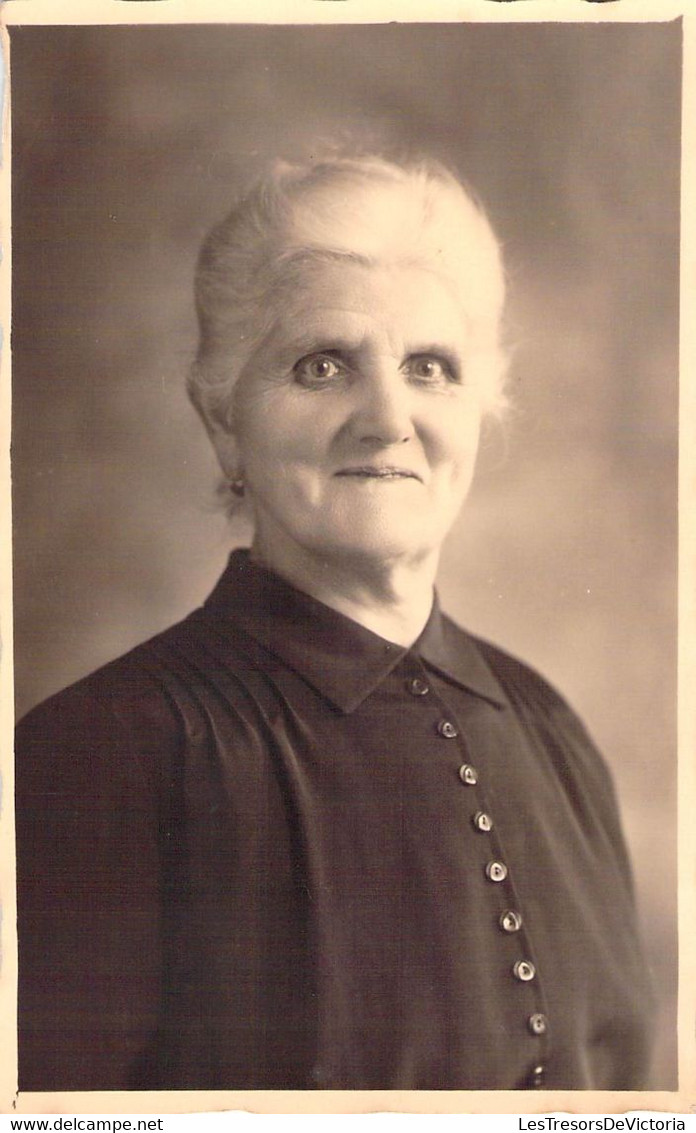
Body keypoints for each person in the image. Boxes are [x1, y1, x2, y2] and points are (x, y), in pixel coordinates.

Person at [15, 154, 654, 1092]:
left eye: (430, 367)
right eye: (323, 366)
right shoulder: (103, 754)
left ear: (478, 408)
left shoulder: (552, 729)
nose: (387, 419)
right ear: (223, 419)